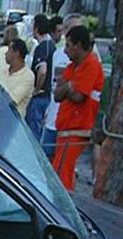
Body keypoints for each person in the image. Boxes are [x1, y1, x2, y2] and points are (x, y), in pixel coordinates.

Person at [51, 24, 104, 191]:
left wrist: (67, 87)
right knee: (59, 174)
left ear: (79, 46)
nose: (65, 51)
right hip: (65, 130)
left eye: (68, 45)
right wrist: (68, 87)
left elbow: (79, 96)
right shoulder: (72, 67)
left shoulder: (91, 65)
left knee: (62, 179)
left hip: (76, 130)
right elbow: (58, 95)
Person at [41, 14, 81, 158]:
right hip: (52, 119)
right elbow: (54, 85)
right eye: (71, 28)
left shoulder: (89, 56)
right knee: (45, 159)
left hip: (72, 124)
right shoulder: (58, 54)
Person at [25, 14, 55, 141]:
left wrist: (36, 89)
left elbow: (42, 71)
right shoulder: (52, 45)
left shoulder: (42, 48)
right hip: (48, 96)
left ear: (36, 28)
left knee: (33, 133)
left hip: (40, 97)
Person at [0, 38, 33, 117]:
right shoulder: (3, 70)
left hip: (12, 123)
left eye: (9, 49)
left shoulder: (28, 76)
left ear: (17, 53)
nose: (6, 53)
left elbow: (11, 100)